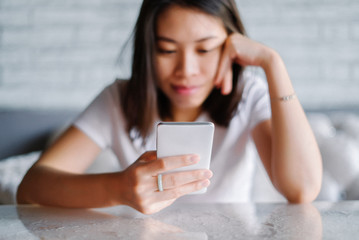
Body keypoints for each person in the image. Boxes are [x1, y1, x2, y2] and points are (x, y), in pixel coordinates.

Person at [17, 0, 322, 214]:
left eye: (204, 49)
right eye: (166, 50)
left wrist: (272, 64)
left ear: (232, 47)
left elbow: (302, 190)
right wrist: (118, 188)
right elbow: (31, 188)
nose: (186, 70)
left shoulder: (248, 96)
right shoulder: (120, 99)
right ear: (148, 50)